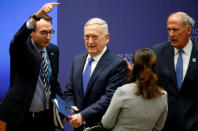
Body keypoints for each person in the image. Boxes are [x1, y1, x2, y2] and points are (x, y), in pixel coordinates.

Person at [0, 3, 62, 131]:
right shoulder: (21, 48)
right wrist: (37, 16)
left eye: (51, 32)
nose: (48, 37)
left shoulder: (53, 50)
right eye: (44, 32)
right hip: (22, 118)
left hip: (46, 119)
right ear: (32, 32)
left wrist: (63, 110)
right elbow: (18, 38)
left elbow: (53, 82)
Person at [63, 18, 127, 130]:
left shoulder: (117, 64)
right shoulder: (77, 60)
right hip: (77, 127)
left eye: (95, 37)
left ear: (107, 38)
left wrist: (82, 116)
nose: (90, 41)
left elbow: (109, 98)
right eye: (87, 37)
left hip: (101, 127)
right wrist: (70, 108)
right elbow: (69, 91)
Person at [101, 48, 168, 131]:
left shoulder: (123, 91)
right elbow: (158, 127)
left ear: (134, 66)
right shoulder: (163, 95)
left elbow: (107, 123)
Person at [152, 12, 198, 131]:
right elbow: (149, 82)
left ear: (188, 30)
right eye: (169, 30)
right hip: (164, 124)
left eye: (176, 30)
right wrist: (133, 74)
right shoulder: (158, 51)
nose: (171, 34)